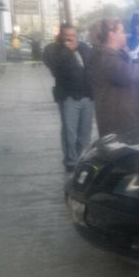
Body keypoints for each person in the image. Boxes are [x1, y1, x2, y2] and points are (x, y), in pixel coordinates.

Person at [88, 18, 139, 137]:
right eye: (121, 31)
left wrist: (138, 59)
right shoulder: (104, 57)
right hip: (120, 123)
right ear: (111, 34)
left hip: (125, 119)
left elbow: (124, 68)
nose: (124, 35)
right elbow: (126, 73)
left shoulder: (112, 55)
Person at [42, 24, 94, 172]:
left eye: (73, 36)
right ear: (60, 37)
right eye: (67, 36)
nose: (71, 39)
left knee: (85, 131)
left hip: (87, 96)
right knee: (69, 132)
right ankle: (71, 161)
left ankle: (82, 158)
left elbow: (92, 66)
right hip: (69, 97)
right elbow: (55, 67)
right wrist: (68, 51)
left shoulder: (84, 48)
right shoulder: (53, 50)